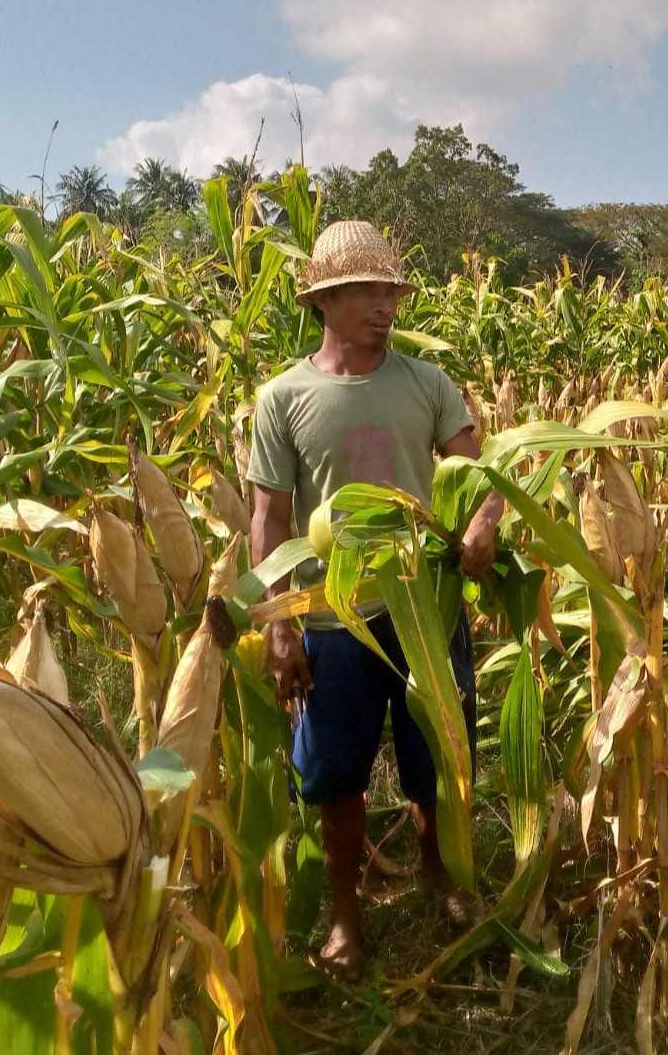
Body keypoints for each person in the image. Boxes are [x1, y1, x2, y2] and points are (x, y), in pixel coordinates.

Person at [248, 220, 502, 977]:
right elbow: (269, 520)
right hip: (333, 618)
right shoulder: (283, 398)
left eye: (390, 291)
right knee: (336, 772)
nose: (384, 306)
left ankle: (439, 874)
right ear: (323, 301)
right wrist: (278, 624)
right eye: (365, 291)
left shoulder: (427, 383)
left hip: (425, 608)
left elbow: (480, 475)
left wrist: (483, 524)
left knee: (437, 755)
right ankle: (344, 913)